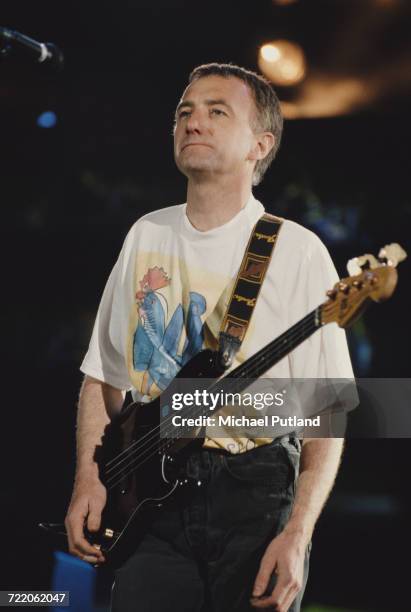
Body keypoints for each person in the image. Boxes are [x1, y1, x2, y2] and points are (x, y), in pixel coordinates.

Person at [65, 63, 354, 612]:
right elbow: (102, 374)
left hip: (254, 492)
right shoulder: (146, 232)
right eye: (184, 112)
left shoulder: (298, 251)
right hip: (149, 497)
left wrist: (298, 534)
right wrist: (89, 478)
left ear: (260, 145)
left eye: (217, 111)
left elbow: (329, 414)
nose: (193, 121)